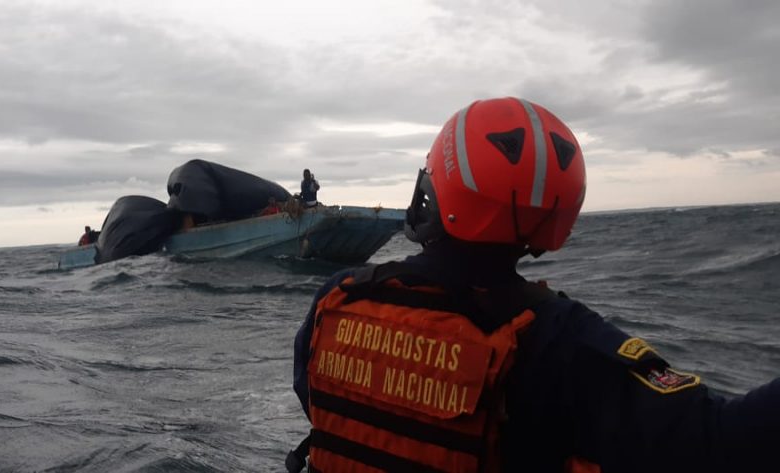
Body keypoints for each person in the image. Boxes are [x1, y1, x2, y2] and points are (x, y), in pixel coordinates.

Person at [288, 97, 780, 473]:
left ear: (435, 186)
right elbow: (722, 442)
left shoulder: (337, 298)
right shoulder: (559, 343)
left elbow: (316, 401)